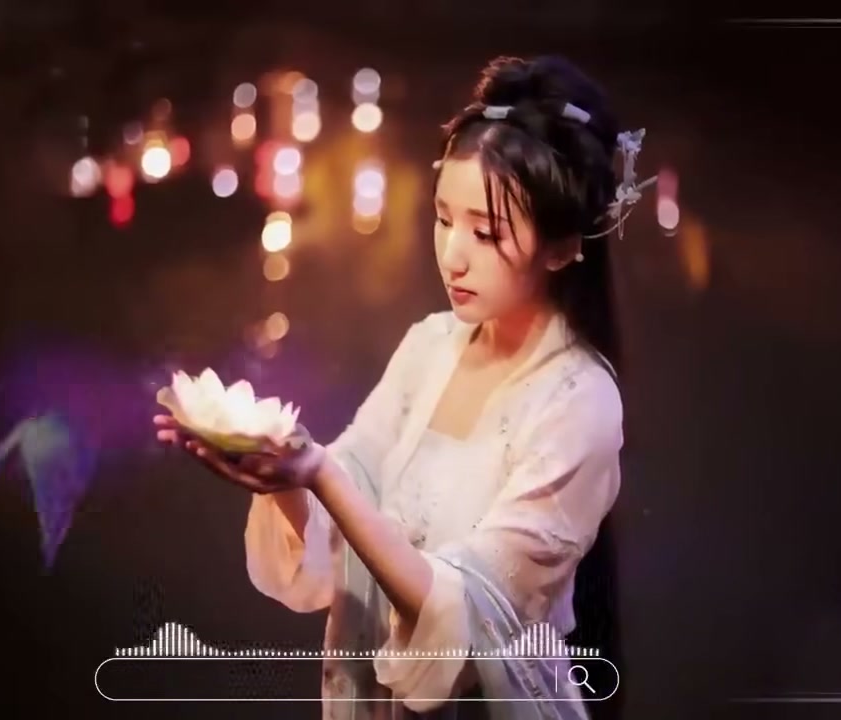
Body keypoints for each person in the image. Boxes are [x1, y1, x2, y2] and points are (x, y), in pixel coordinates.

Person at [156, 54, 650, 719]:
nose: (453, 255)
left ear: (562, 247)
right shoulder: (429, 345)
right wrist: (286, 478)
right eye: (445, 219)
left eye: (486, 232)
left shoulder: (579, 401)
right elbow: (346, 506)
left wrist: (315, 473)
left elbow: (470, 615)